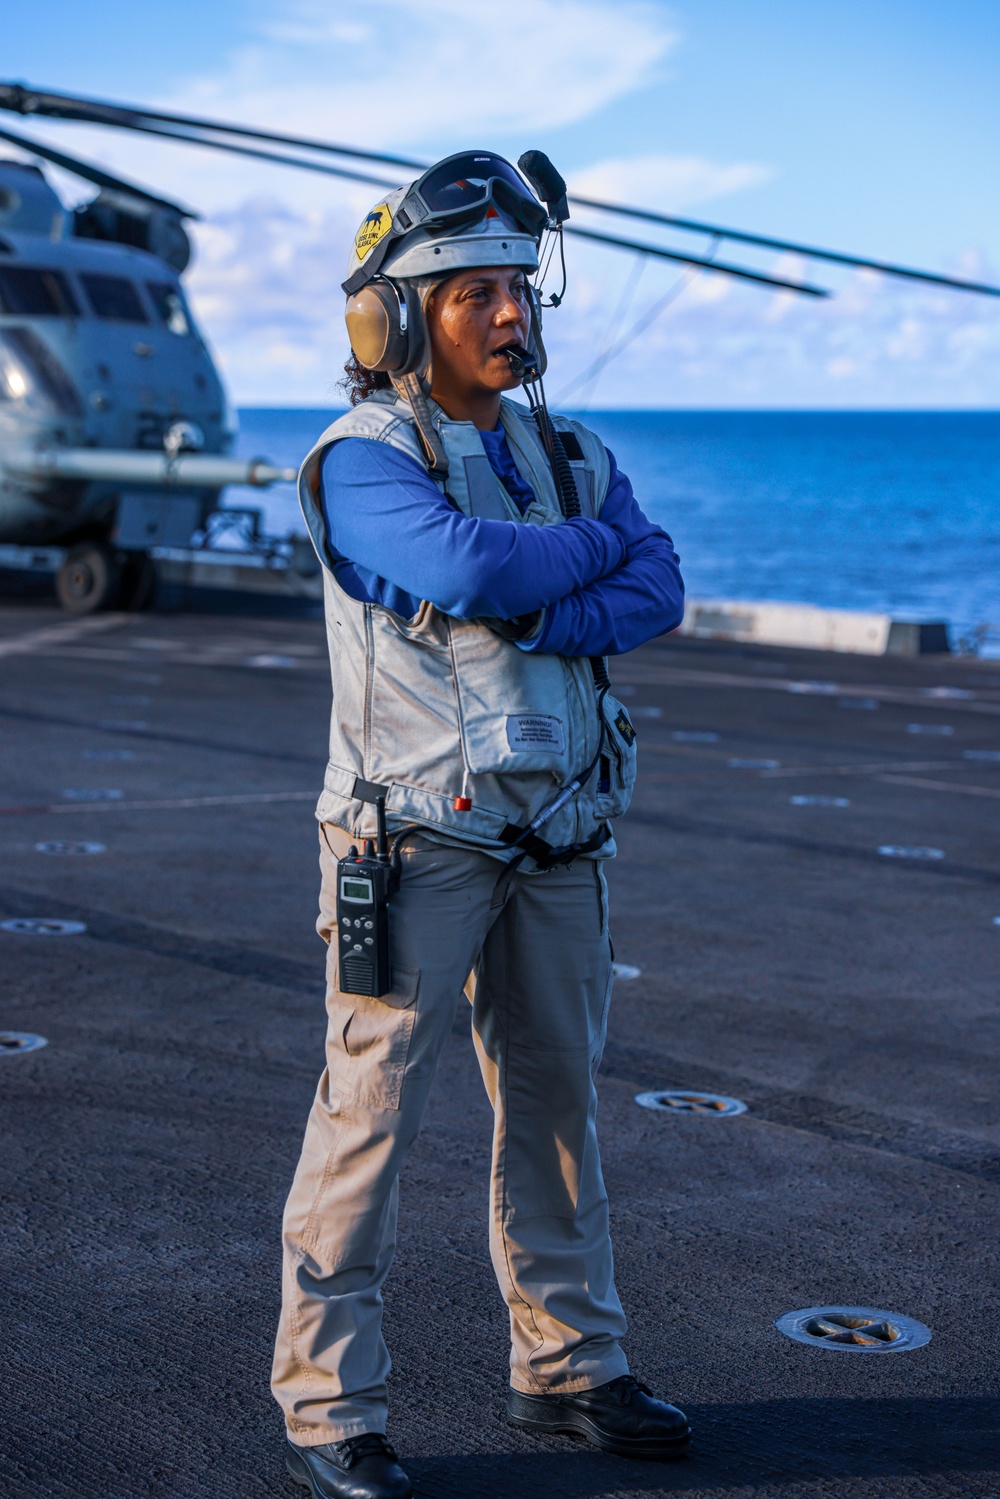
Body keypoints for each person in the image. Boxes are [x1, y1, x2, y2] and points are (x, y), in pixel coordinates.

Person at [272, 151, 689, 1499]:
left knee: (560, 1114)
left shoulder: (568, 450)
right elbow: (459, 563)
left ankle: (567, 1369)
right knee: (369, 1120)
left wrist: (549, 598)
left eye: (520, 285)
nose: (513, 313)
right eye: (474, 294)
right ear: (396, 317)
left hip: (559, 840)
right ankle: (332, 1411)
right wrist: (578, 558)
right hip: (411, 852)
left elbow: (662, 584)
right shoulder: (361, 461)